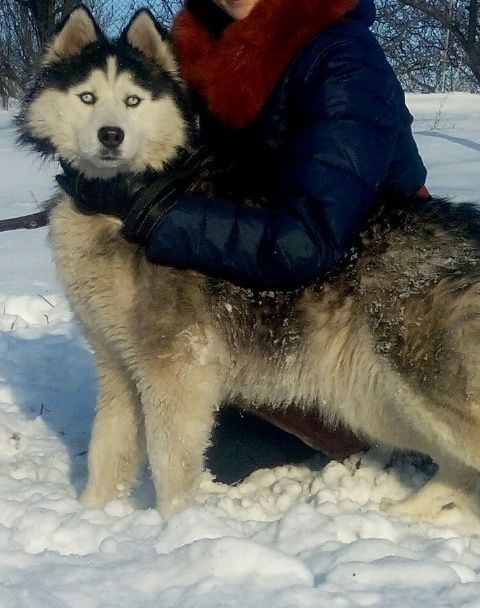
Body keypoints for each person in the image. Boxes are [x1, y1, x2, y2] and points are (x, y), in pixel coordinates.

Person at [58, 0, 429, 464]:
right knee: (190, 416)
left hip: (366, 297)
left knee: (201, 434)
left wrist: (156, 215)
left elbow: (309, 238)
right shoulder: (202, 53)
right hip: (265, 280)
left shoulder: (344, 59)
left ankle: (374, 424)